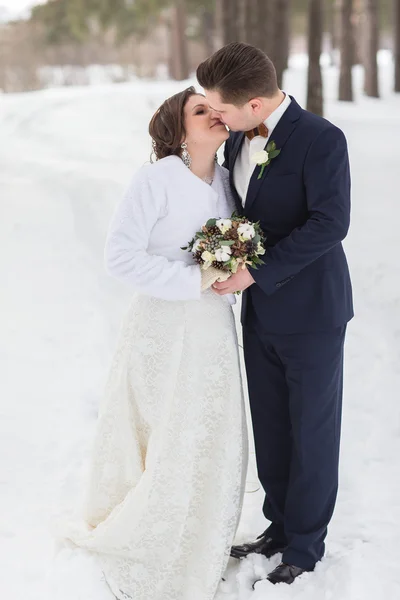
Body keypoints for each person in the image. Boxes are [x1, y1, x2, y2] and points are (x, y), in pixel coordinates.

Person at [62, 86, 248, 600]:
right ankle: (157, 529)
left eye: (216, 107)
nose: (215, 114)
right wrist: (196, 279)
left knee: (206, 427)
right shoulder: (155, 179)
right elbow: (120, 256)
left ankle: (202, 523)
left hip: (212, 326)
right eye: (200, 110)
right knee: (170, 427)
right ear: (177, 128)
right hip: (166, 324)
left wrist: (226, 272)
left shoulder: (227, 182)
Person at [197, 43, 354, 586]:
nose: (216, 116)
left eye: (222, 109)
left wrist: (255, 272)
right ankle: (279, 524)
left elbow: (329, 224)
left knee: (311, 428)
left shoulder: (322, 140)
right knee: (271, 423)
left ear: (258, 104)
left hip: (311, 310)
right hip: (260, 310)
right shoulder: (239, 136)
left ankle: (306, 546)